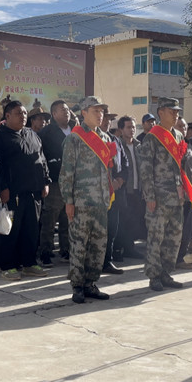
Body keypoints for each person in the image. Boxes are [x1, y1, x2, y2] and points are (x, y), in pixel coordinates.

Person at [60, 96, 115, 303]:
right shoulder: (74, 138)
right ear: (84, 113)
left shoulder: (106, 138)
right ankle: (77, 286)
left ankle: (90, 283)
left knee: (98, 246)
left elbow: (108, 170)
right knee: (79, 245)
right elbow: (67, 172)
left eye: (101, 111)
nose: (100, 115)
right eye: (95, 111)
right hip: (81, 202)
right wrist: (69, 200)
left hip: (101, 201)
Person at [138, 98, 192, 292]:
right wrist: (150, 196)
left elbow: (183, 167)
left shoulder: (179, 136)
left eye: (177, 111)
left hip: (177, 196)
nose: (176, 115)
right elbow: (145, 170)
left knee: (174, 237)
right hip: (159, 197)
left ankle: (166, 272)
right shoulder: (152, 138)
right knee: (156, 238)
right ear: (161, 112)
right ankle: (154, 275)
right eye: (172, 111)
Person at [0, 100, 51, 280]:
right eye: (19, 113)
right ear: (7, 115)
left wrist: (45, 181)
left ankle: (29, 263)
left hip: (33, 191)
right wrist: (2, 188)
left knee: (31, 230)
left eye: (24, 113)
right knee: (10, 230)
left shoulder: (32, 134)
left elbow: (42, 159)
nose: (23, 116)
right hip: (12, 193)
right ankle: (7, 265)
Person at [37, 100, 74, 267]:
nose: (66, 112)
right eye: (62, 110)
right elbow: (41, 157)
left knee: (69, 217)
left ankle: (66, 250)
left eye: (67, 109)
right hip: (55, 181)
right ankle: (45, 252)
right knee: (50, 218)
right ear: (54, 114)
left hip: (74, 181)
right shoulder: (46, 133)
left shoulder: (75, 130)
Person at [99, 108, 127, 275]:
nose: (107, 122)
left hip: (114, 193)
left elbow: (124, 163)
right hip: (97, 194)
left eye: (109, 119)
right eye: (104, 118)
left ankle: (107, 261)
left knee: (112, 228)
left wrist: (120, 180)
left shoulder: (115, 139)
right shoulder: (89, 139)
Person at [114, 116, 145, 260]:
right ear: (121, 129)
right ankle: (118, 249)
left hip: (137, 189)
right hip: (124, 189)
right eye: (128, 127)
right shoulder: (118, 145)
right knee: (122, 221)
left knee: (134, 220)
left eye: (133, 127)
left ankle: (129, 248)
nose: (132, 130)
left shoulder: (139, 145)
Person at [174, 117, 192, 270]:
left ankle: (180, 257)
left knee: (187, 229)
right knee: (176, 229)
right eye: (180, 126)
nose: (183, 129)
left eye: (184, 127)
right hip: (178, 194)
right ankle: (173, 258)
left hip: (190, 193)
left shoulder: (188, 144)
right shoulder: (172, 145)